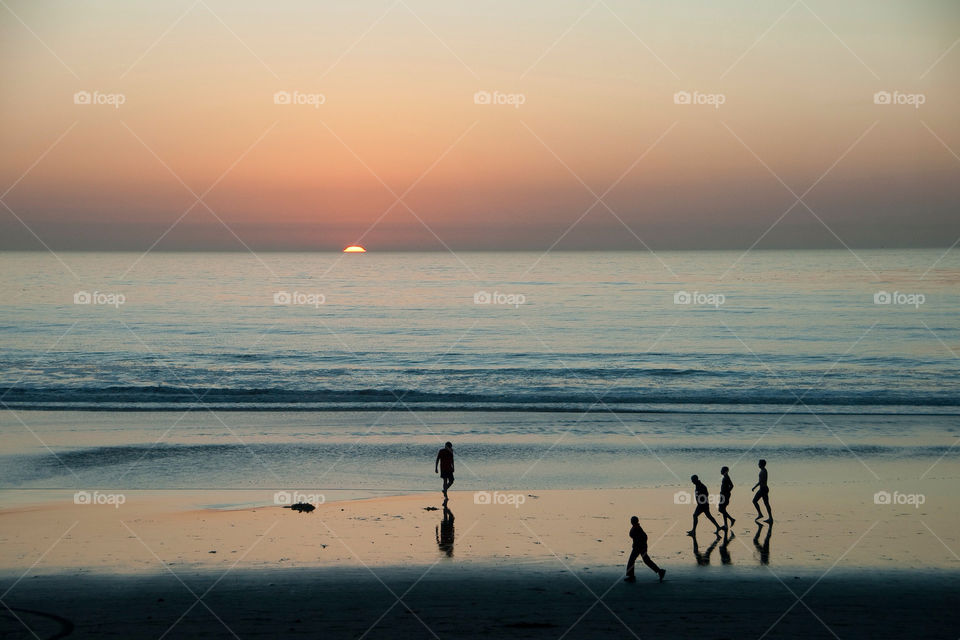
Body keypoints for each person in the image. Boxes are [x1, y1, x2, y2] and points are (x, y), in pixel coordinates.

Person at [624, 516, 666, 583]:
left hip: (639, 547)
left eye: (632, 520)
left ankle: (631, 576)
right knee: (646, 560)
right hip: (639, 547)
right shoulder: (636, 527)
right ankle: (660, 571)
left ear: (635, 521)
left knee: (632, 560)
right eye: (631, 520)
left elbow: (644, 537)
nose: (631, 522)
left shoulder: (637, 528)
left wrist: (640, 546)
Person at [718, 466, 736, 530]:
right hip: (723, 495)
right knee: (723, 509)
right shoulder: (725, 477)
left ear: (725, 471)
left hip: (725, 495)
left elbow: (732, 485)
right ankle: (725, 525)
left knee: (720, 509)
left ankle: (731, 519)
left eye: (722, 470)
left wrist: (727, 492)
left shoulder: (726, 477)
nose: (721, 471)